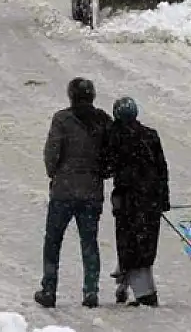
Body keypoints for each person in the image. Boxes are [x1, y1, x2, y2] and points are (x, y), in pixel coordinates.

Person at [35, 77, 113, 309]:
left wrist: (55, 174)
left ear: (71, 96)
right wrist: (100, 174)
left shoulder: (62, 119)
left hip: (63, 191)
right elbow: (111, 157)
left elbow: (52, 153)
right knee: (89, 242)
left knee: (53, 241)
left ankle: (49, 289)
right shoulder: (103, 121)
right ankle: (91, 291)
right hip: (91, 192)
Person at [104, 97, 170, 307]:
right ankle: (136, 287)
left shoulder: (117, 137)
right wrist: (163, 199)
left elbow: (108, 166)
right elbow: (162, 169)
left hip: (128, 199)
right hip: (151, 199)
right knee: (146, 245)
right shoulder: (150, 136)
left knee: (130, 244)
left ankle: (143, 294)